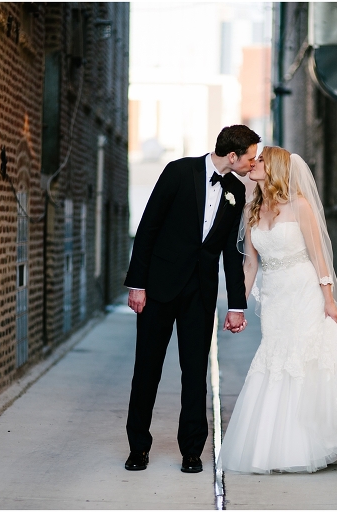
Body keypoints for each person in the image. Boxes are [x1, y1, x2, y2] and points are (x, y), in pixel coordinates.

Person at [218, 147, 337, 474]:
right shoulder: (253, 209)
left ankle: (322, 439)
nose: (254, 164)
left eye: (262, 160)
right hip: (276, 298)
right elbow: (250, 264)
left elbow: (319, 257)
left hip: (304, 290)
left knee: (308, 358)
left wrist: (329, 299)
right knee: (277, 359)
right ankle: (282, 444)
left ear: (277, 168)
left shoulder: (300, 206)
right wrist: (236, 306)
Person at [123, 125, 261, 473]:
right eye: (250, 157)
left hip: (199, 294)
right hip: (158, 288)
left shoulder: (236, 191)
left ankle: (192, 450)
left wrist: (235, 304)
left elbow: (233, 252)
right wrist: (137, 284)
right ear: (233, 155)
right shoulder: (178, 171)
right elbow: (148, 227)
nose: (253, 162)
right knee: (147, 370)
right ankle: (138, 447)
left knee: (196, 372)